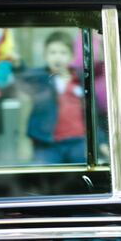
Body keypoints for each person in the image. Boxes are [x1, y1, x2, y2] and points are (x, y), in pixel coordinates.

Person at [17, 31, 86, 164]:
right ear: (45, 56)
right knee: (45, 180)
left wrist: (100, 141)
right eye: (52, 53)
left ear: (72, 56)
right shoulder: (41, 78)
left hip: (77, 142)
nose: (57, 57)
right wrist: (17, 64)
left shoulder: (81, 79)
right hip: (47, 144)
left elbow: (92, 112)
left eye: (63, 53)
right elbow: (24, 75)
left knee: (78, 179)